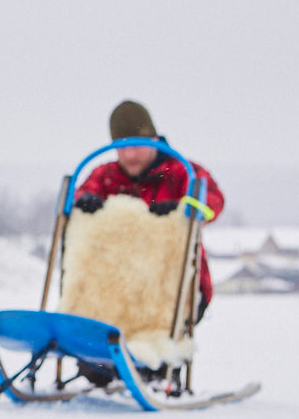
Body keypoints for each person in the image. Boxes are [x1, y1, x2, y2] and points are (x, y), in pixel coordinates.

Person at [73, 100, 226, 317]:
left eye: (137, 147)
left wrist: (182, 209)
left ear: (154, 140)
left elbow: (212, 200)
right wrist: (84, 202)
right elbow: (79, 196)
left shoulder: (182, 172)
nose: (130, 155)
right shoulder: (105, 176)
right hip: (117, 289)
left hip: (175, 286)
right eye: (122, 148)